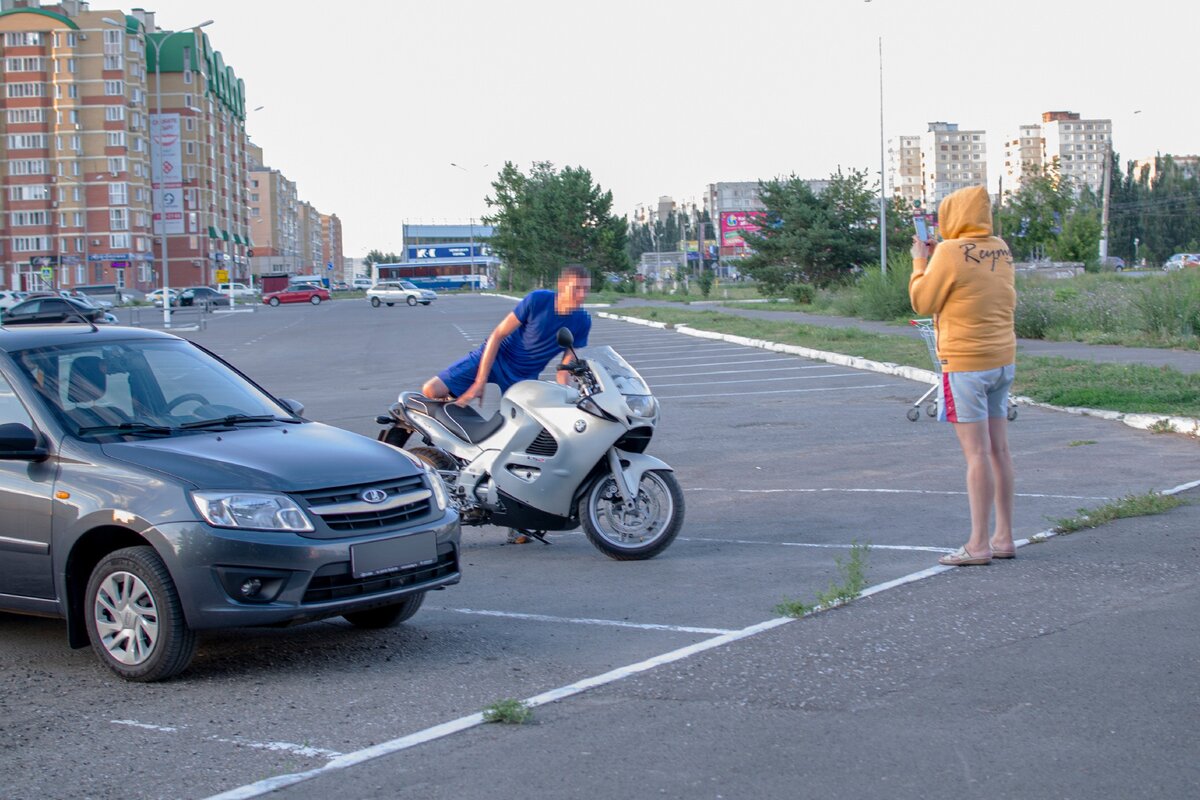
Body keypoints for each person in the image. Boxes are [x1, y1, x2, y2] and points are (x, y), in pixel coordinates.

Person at [909, 185, 1017, 567]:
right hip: (1002, 359)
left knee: (976, 455)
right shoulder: (1000, 247)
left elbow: (922, 301)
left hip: (966, 364)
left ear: (953, 215)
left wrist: (920, 262)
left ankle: (978, 544)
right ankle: (1003, 537)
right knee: (999, 451)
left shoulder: (950, 253)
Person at [422, 265, 592, 406]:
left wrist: (568, 398)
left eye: (586, 289)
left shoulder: (582, 321)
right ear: (562, 285)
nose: (582, 295)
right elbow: (497, 335)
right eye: (576, 288)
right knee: (431, 390)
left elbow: (564, 370)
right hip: (496, 357)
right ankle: (453, 411)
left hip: (523, 377)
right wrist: (479, 382)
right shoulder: (537, 301)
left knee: (524, 427)